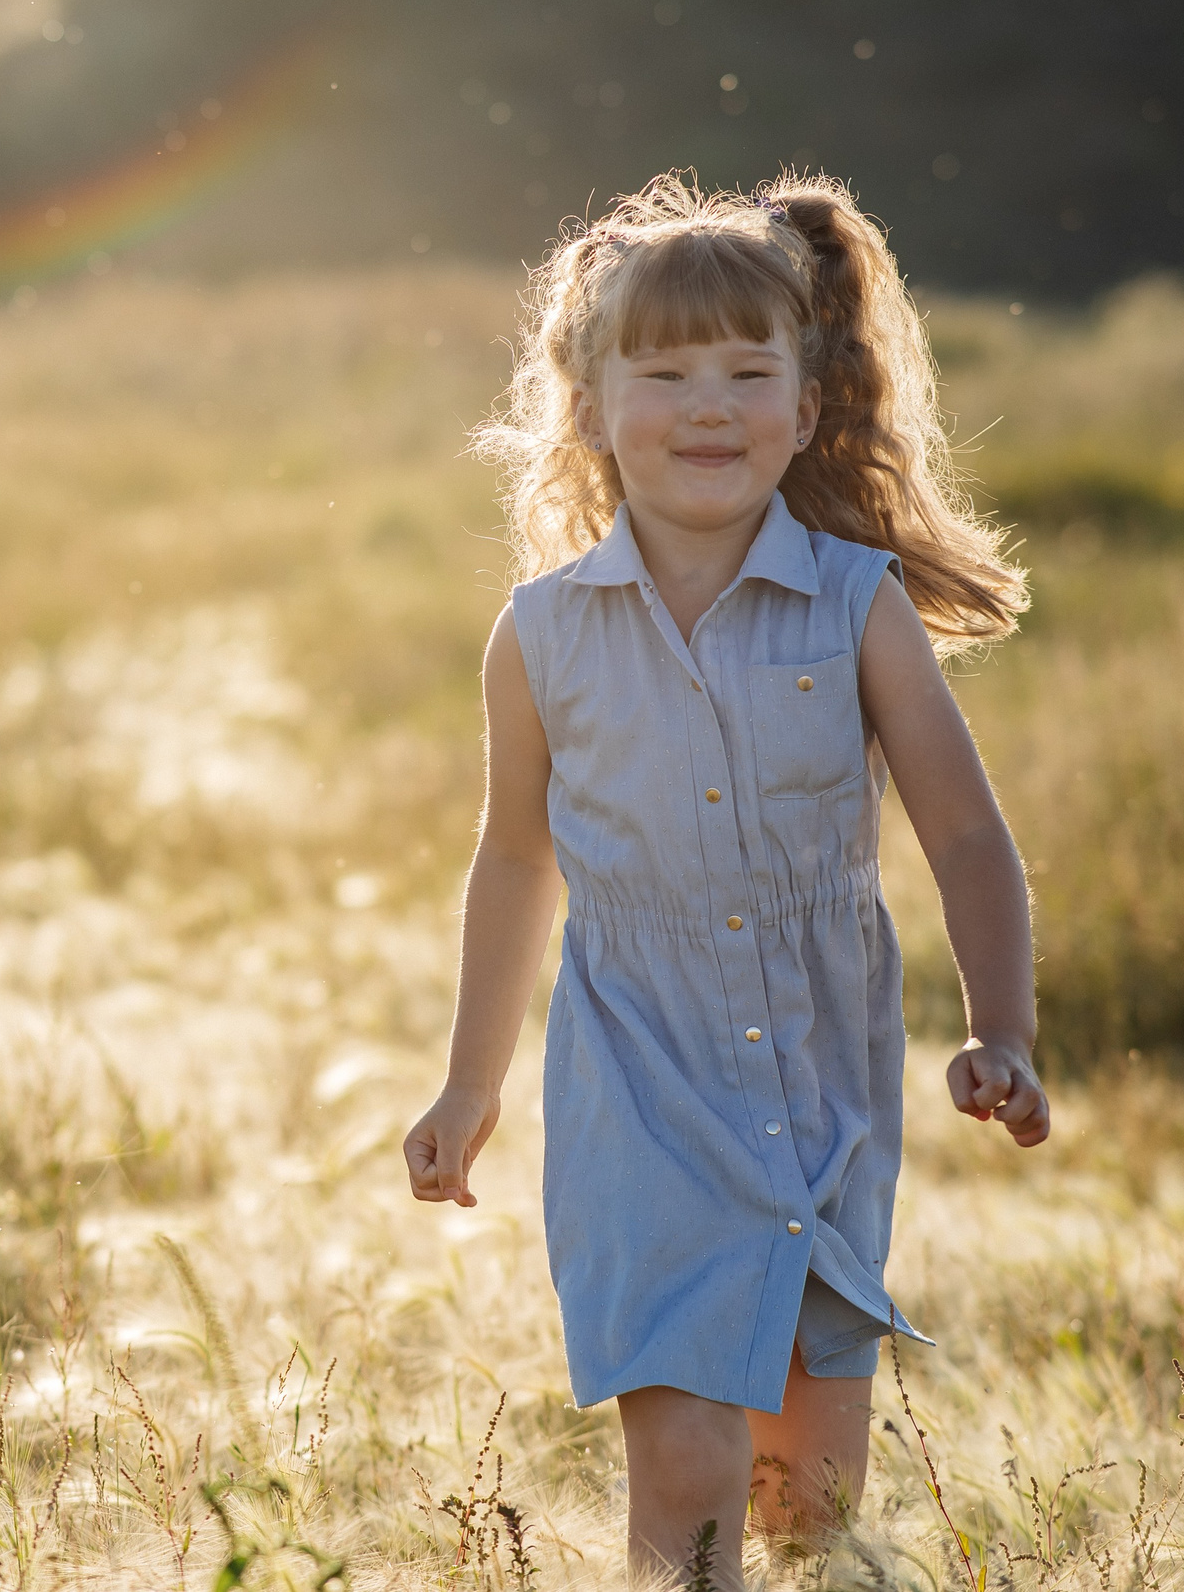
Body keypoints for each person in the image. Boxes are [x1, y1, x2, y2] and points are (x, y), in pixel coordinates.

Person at [401, 172, 1051, 1580]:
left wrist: (1005, 1030)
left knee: (809, 1492)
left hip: (819, 1092)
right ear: (594, 408)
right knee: (688, 1458)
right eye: (667, 372)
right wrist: (472, 1084)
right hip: (635, 1082)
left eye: (749, 372)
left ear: (806, 410)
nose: (710, 404)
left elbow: (968, 839)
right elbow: (515, 855)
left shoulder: (858, 606)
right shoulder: (542, 634)